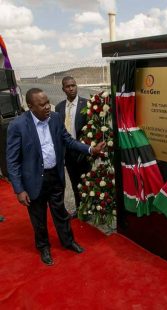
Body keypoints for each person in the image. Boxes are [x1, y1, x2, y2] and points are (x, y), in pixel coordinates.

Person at [6, 88, 105, 266]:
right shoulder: (18, 125)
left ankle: (68, 242)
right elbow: (12, 161)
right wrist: (19, 190)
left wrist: (91, 149)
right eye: (41, 105)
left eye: (47, 103)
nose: (47, 107)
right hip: (34, 180)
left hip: (55, 175)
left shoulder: (56, 118)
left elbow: (68, 140)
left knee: (61, 213)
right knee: (39, 218)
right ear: (30, 106)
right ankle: (43, 247)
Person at [55, 76, 89, 215]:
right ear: (63, 89)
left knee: (87, 182)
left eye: (73, 85)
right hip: (68, 153)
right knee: (75, 183)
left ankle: (90, 209)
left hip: (83, 151)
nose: (71, 88)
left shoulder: (86, 104)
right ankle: (80, 209)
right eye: (68, 86)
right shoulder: (59, 107)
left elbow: (91, 128)